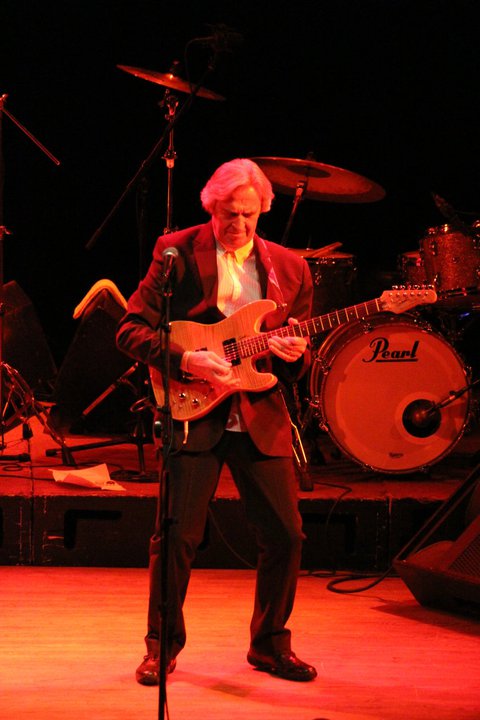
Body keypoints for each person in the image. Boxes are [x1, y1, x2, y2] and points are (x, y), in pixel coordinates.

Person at [116, 158, 317, 684]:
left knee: (286, 535)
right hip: (192, 410)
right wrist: (186, 359)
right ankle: (161, 648)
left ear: (262, 210)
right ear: (211, 207)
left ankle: (270, 645)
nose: (239, 225)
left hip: (258, 414)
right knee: (176, 536)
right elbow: (131, 330)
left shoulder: (290, 269)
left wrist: (296, 356)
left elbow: (295, 366)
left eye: (249, 215)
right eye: (230, 214)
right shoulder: (176, 251)